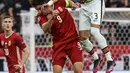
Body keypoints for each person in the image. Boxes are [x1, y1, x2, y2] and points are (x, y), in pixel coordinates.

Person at [29, 0, 83, 73]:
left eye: (39, 8)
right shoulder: (40, 16)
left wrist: (73, 4)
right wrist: (51, 19)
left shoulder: (59, 3)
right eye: (37, 9)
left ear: (45, 4)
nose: (39, 11)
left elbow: (67, 2)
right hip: (59, 44)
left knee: (78, 70)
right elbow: (44, 28)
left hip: (73, 40)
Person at [78, 0, 116, 73]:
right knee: (82, 37)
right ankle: (96, 58)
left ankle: (110, 60)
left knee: (94, 31)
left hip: (95, 3)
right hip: (84, 6)